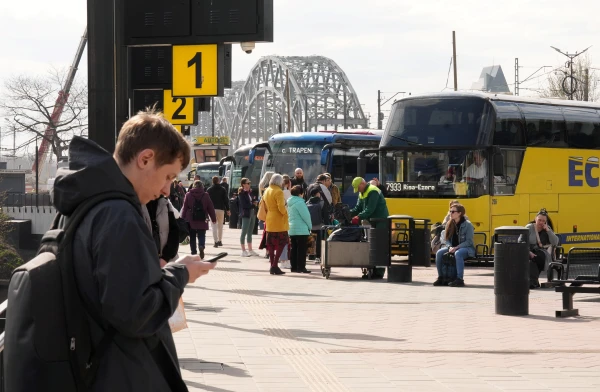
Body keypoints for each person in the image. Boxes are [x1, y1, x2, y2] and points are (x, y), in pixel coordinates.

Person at [48, 110, 216, 391]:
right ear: (145, 159)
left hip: (90, 364)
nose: (166, 190)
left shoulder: (84, 202)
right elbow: (137, 313)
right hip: (120, 370)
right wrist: (180, 275)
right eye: (168, 176)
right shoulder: (119, 215)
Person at [350, 177, 390, 279]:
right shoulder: (362, 192)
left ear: (362, 184)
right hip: (372, 221)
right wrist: (348, 213)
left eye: (358, 188)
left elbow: (370, 209)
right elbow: (358, 208)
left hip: (381, 221)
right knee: (371, 246)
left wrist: (358, 217)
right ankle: (372, 270)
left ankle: (379, 272)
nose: (358, 191)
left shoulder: (373, 191)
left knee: (379, 246)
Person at [433, 203, 475, 287]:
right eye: (450, 211)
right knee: (439, 252)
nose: (450, 213)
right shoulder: (449, 223)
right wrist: (450, 247)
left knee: (458, 253)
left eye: (453, 212)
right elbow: (447, 239)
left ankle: (459, 279)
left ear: (459, 213)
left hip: (466, 248)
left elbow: (469, 242)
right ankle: (441, 277)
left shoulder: (468, 225)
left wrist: (457, 247)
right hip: (453, 247)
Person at [523, 209, 559, 289]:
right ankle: (533, 282)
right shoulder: (529, 228)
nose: (541, 222)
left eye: (543, 221)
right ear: (535, 219)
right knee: (532, 261)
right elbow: (521, 242)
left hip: (542, 254)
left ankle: (533, 282)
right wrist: (529, 252)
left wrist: (548, 231)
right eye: (539, 220)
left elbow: (555, 242)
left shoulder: (547, 229)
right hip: (528, 252)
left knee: (537, 258)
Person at [181, 180, 217, 259]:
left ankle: (194, 252)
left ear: (193, 186)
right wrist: (213, 218)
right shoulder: (206, 195)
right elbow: (210, 208)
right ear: (202, 186)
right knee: (202, 234)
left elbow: (184, 208)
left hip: (191, 219)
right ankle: (201, 245)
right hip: (202, 218)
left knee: (192, 236)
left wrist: (182, 218)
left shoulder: (188, 195)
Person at [142, 196, 181, 267]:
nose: (167, 192)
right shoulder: (134, 204)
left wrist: (165, 258)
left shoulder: (164, 203)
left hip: (166, 262)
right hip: (145, 264)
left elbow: (174, 231)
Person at [262, 174, 289, 275]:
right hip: (278, 220)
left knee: (271, 244)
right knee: (282, 242)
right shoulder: (278, 191)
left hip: (269, 218)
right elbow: (281, 208)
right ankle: (274, 265)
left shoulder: (267, 190)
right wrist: (286, 212)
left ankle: (272, 265)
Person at [287, 185, 313, 273]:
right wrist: (310, 227)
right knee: (301, 250)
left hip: (292, 229)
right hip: (301, 230)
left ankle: (293, 267)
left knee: (293, 249)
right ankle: (301, 267)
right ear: (301, 193)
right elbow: (306, 216)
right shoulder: (300, 203)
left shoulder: (289, 203)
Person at [206, 176, 230, 247]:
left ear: (212, 181)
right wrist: (228, 209)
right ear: (218, 181)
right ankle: (220, 241)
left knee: (214, 226)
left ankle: (215, 241)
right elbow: (226, 200)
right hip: (221, 209)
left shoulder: (209, 189)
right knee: (220, 226)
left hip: (212, 210)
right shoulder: (223, 189)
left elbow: (207, 200)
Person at [238, 178, 259, 257]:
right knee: (244, 232)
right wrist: (253, 204)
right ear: (243, 184)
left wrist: (255, 202)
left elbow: (253, 200)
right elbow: (244, 205)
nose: (249, 184)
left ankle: (250, 249)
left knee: (250, 232)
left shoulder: (250, 192)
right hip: (246, 214)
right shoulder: (242, 193)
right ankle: (243, 250)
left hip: (252, 213)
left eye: (249, 183)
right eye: (248, 183)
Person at [306, 187, 328, 262]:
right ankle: (318, 257)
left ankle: (311, 255)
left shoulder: (307, 203)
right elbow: (325, 215)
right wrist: (327, 224)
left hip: (310, 225)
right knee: (319, 241)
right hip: (319, 225)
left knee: (311, 240)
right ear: (317, 194)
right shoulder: (322, 202)